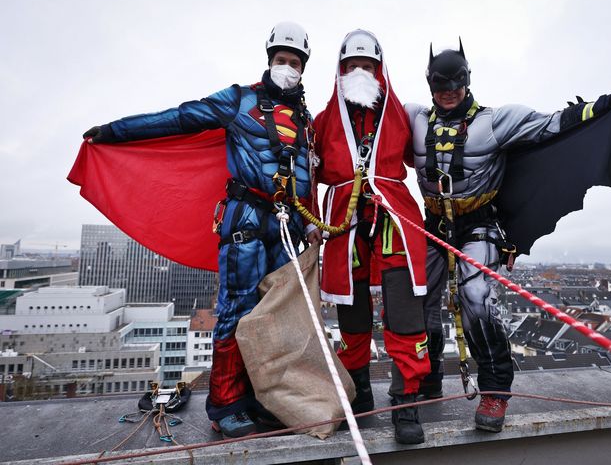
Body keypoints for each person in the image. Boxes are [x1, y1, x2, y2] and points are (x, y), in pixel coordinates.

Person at [82, 22, 322, 438]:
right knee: (236, 309)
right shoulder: (238, 100)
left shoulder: (305, 118)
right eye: (281, 60)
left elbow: (308, 176)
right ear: (269, 61)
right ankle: (226, 403)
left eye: (294, 62)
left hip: (288, 228)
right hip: (246, 218)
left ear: (303, 67)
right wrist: (115, 130)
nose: (288, 67)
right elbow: (178, 118)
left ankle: (265, 397)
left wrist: (312, 221)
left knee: (278, 315)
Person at [405, 40, 611, 432]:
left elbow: (553, 123)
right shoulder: (413, 118)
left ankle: (495, 390)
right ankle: (426, 375)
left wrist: (603, 107)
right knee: (417, 296)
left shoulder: (496, 121)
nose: (448, 92)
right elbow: (371, 120)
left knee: (477, 297)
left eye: (455, 84)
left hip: (477, 221)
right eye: (440, 85)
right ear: (429, 85)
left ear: (467, 81)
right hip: (433, 223)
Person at [312, 29, 430, 444]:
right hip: (344, 222)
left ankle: (406, 399)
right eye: (352, 66)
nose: (360, 72)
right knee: (352, 311)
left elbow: (429, 161)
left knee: (403, 308)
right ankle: (360, 390)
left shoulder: (402, 113)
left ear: (380, 70)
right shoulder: (324, 120)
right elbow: (306, 170)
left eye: (367, 66)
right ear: (341, 71)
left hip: (392, 218)